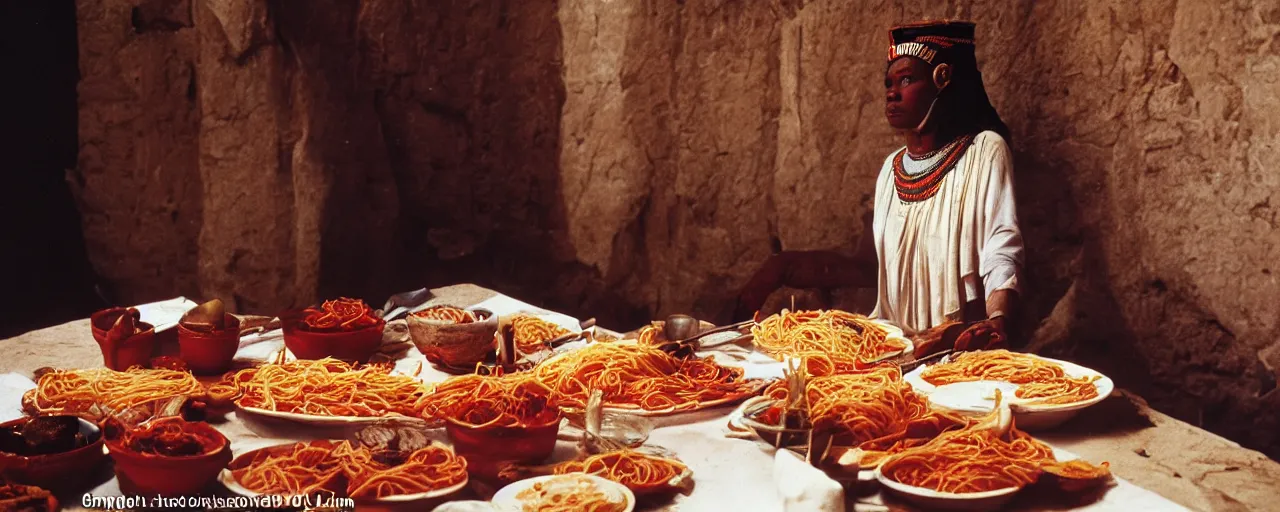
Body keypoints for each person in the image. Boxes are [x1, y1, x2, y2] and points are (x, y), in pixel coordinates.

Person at [735, 20, 1022, 357]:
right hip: (898, 351)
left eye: (906, 79)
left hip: (960, 352)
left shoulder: (984, 151)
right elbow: (876, 266)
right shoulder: (891, 169)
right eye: (888, 82)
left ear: (942, 80)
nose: (892, 92)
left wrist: (997, 320)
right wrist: (782, 267)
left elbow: (1001, 245)